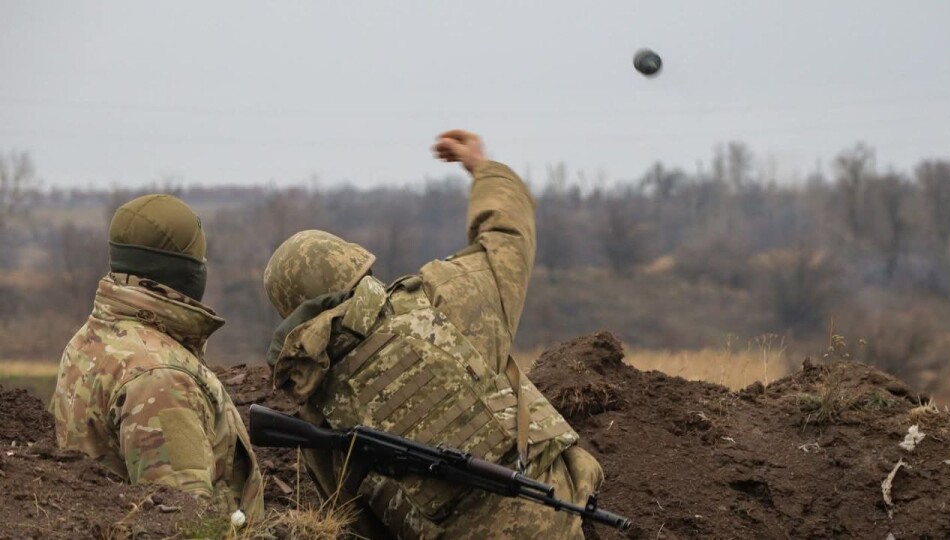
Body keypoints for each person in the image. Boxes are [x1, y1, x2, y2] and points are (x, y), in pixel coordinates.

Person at [264, 129, 603, 539]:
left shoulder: (317, 407)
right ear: (357, 267)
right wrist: (483, 168)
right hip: (558, 522)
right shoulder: (442, 297)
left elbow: (358, 522)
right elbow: (507, 238)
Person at [51, 194, 264, 518]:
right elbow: (182, 521)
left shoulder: (91, 340)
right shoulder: (161, 378)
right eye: (199, 262)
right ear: (185, 272)